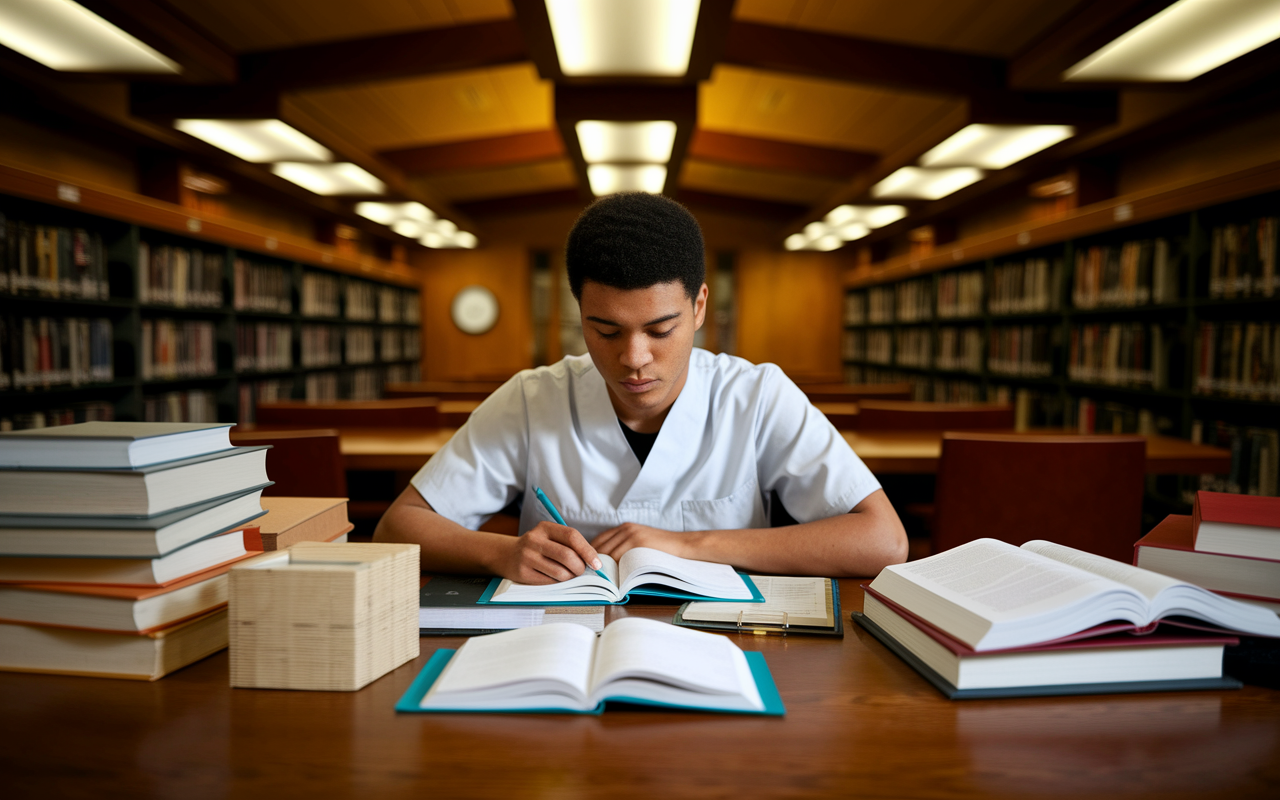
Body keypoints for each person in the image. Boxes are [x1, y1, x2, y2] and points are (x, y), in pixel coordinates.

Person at [375, 192, 907, 583]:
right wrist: (498, 552)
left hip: (731, 646)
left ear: (699, 307)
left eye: (660, 330)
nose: (633, 360)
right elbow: (398, 527)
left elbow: (883, 541)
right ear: (579, 314)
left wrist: (689, 545)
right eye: (605, 331)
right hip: (563, 646)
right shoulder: (533, 398)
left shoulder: (758, 395)